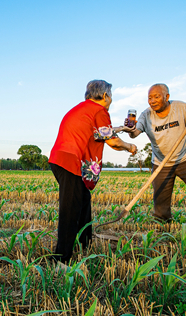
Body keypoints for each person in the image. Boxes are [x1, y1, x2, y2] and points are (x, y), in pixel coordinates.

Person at [49, 80, 137, 262]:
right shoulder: (100, 111)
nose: (111, 99)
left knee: (83, 200)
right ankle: (60, 259)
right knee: (70, 209)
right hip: (71, 161)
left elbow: (100, 133)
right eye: (111, 95)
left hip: (60, 159)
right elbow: (111, 141)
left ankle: (85, 243)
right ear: (105, 96)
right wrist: (129, 146)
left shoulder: (83, 108)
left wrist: (121, 128)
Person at [123, 83, 186, 240]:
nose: (152, 101)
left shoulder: (181, 107)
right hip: (161, 162)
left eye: (156, 97)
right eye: (149, 98)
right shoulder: (146, 115)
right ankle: (162, 226)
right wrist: (129, 128)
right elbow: (135, 133)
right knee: (160, 196)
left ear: (167, 97)